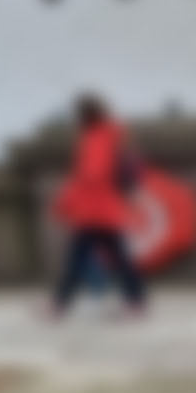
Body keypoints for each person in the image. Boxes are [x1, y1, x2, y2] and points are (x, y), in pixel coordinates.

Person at [49, 94, 148, 317]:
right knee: (117, 258)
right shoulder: (113, 135)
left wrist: (64, 202)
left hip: (95, 210)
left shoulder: (95, 138)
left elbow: (90, 175)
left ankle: (60, 303)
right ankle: (136, 301)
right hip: (106, 209)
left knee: (78, 259)